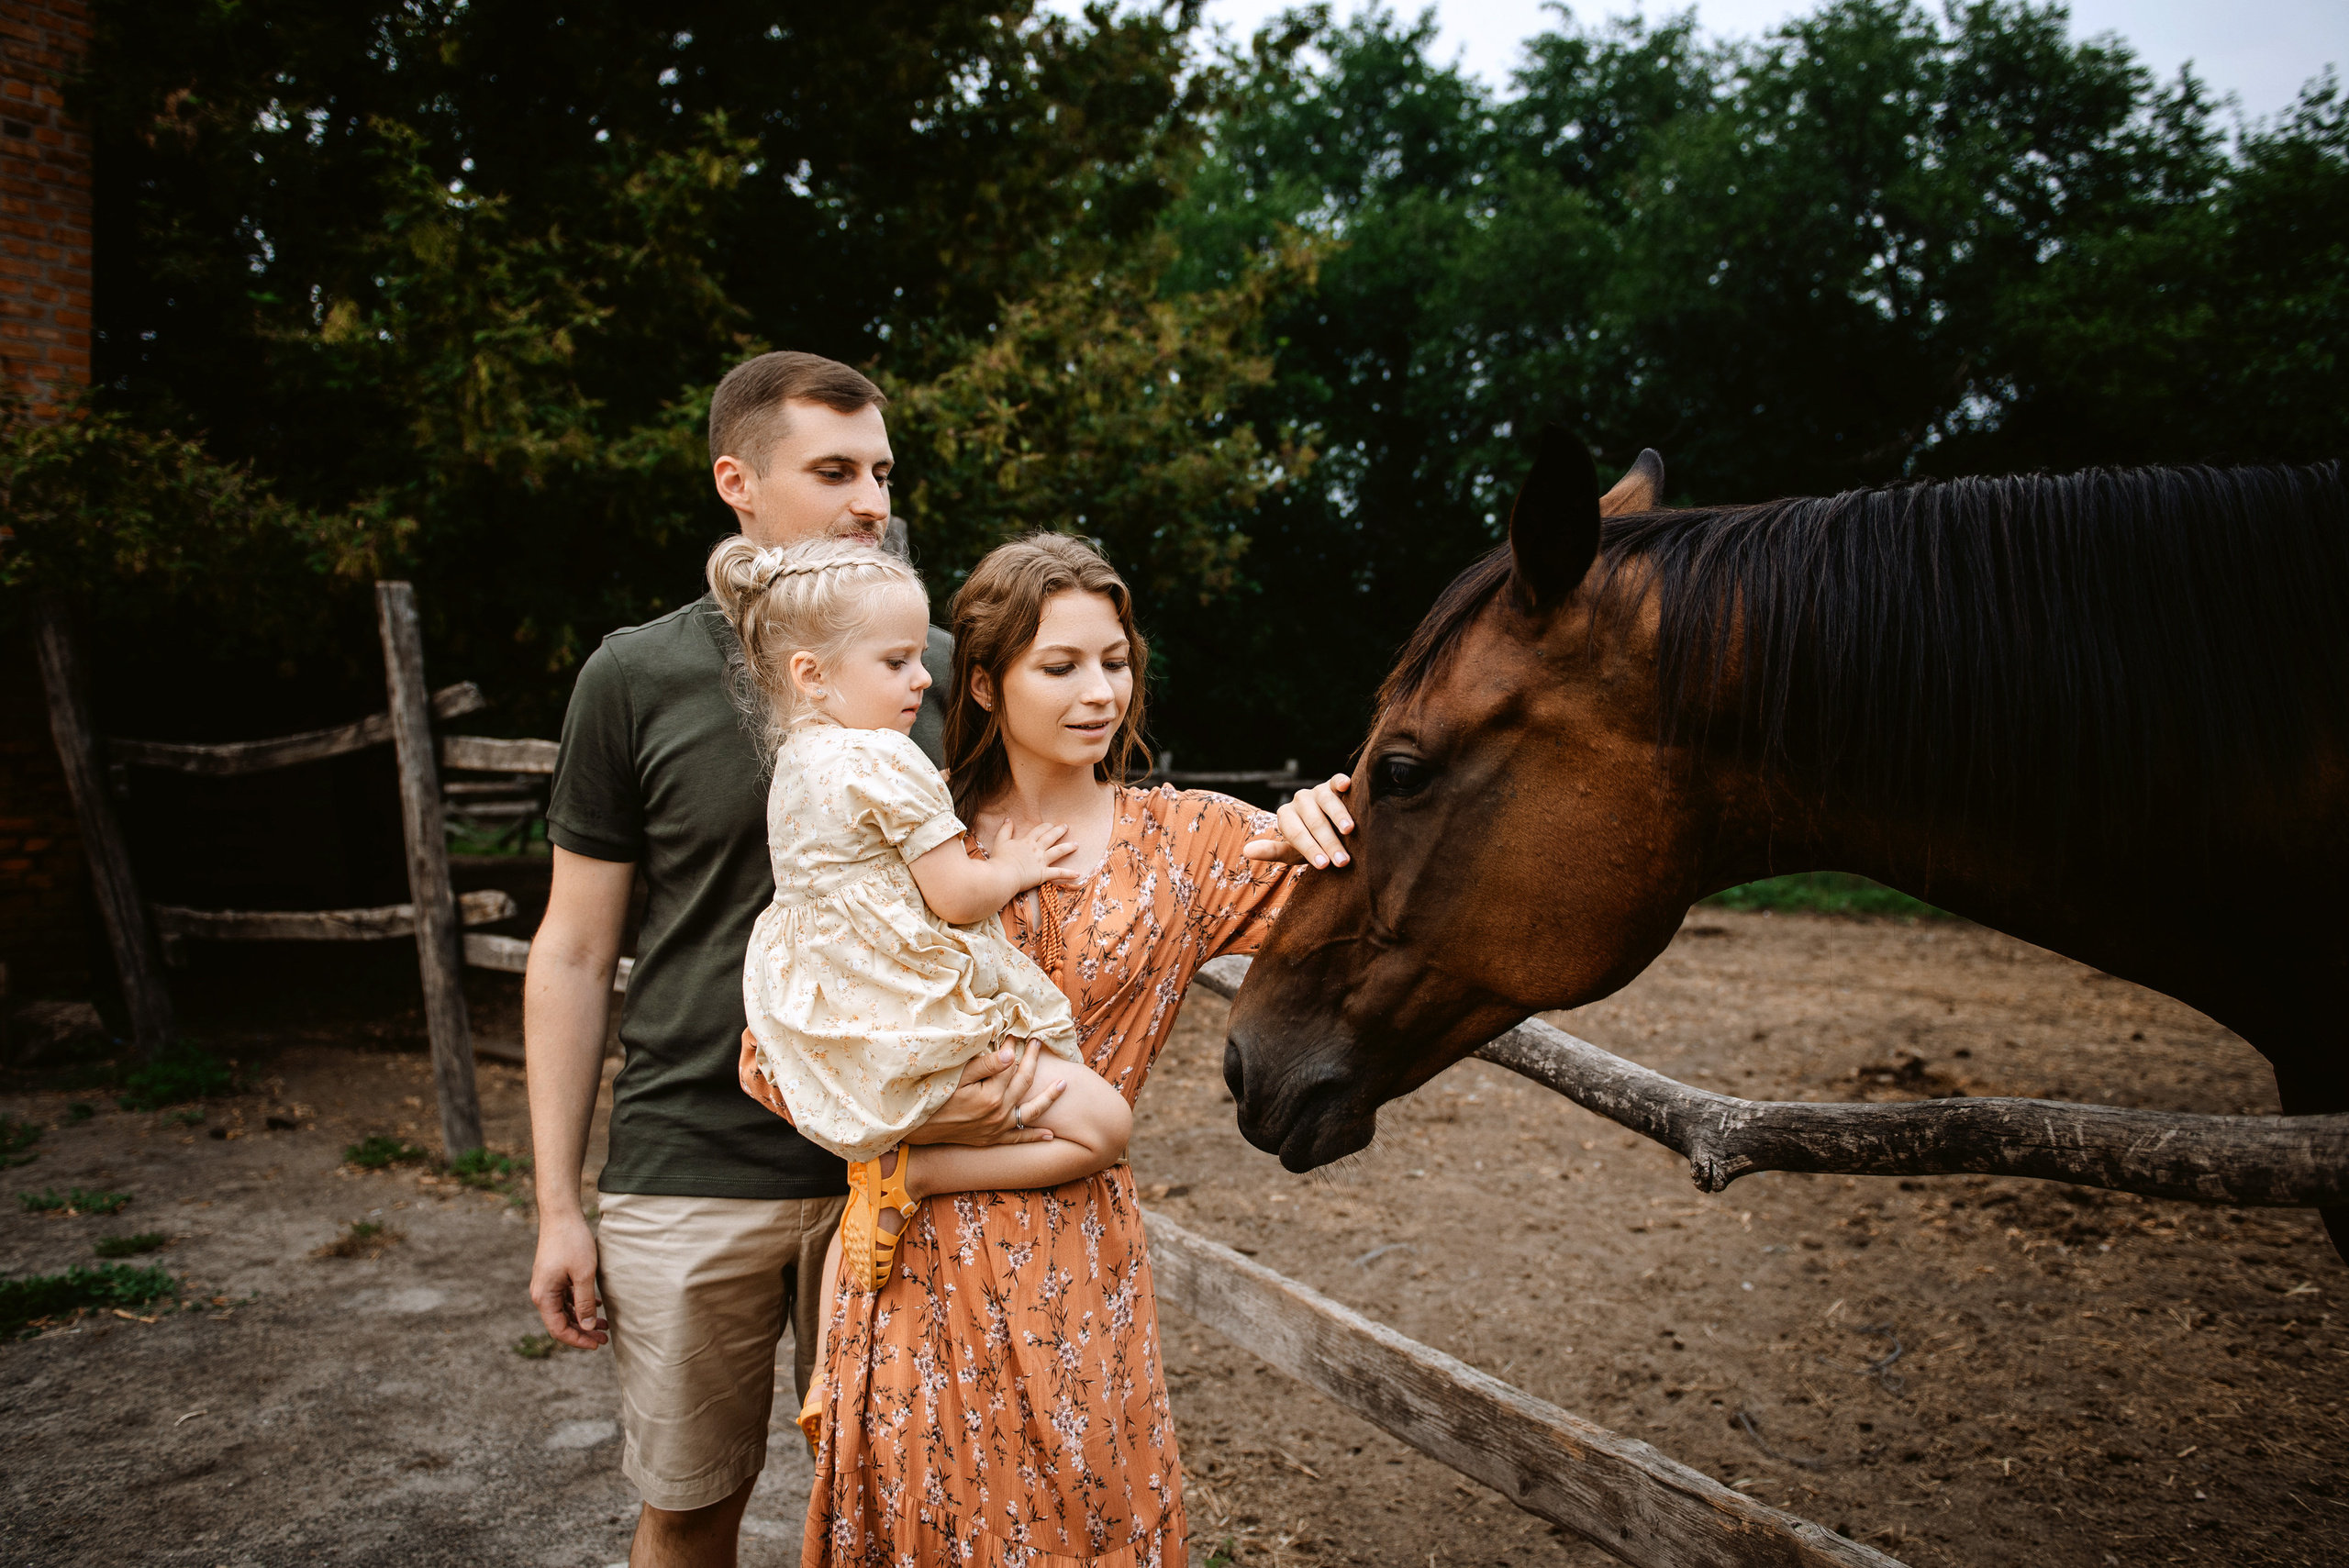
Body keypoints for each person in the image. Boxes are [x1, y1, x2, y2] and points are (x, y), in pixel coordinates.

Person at [525, 351, 1064, 1568]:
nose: (871, 500)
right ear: (739, 482)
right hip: (692, 1164)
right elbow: (573, 949)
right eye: (834, 471)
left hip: (906, 1163)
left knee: (906, 1511)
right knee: (690, 1510)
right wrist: (557, 1205)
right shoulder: (635, 675)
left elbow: (1080, 819)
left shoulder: (935, 672)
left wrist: (1289, 826)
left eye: (882, 471)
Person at [737, 532, 1355, 1566]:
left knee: (1089, 1524)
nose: (1099, 691)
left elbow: (1386, 906)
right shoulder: (898, 817)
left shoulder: (1189, 840)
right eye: (1060, 665)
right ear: (985, 682)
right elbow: (772, 1052)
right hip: (911, 1252)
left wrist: (1332, 818)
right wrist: (945, 1111)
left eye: (1115, 661)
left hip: (1076, 1254)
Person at [706, 533, 1138, 1445]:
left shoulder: (797, 763)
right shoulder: (885, 760)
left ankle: (832, 1368)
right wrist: (1015, 864)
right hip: (910, 1010)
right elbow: (956, 894)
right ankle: (919, 1173)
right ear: (812, 674)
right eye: (897, 660)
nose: (920, 678)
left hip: (830, 1014)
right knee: (1103, 1127)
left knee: (867, 1162)